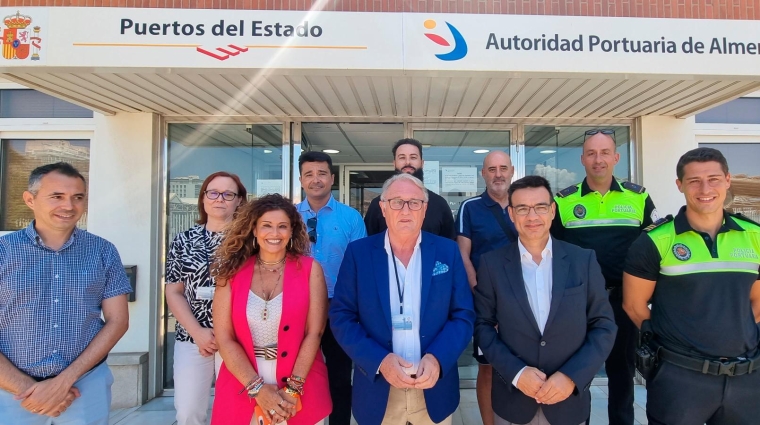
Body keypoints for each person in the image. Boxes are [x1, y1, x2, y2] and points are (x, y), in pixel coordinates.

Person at [623, 147, 760, 425]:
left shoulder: (754, 236)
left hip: (746, 377)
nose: (705, 188)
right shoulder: (656, 241)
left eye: (714, 179)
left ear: (727, 180)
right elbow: (634, 305)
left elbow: (757, 302)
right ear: (680, 185)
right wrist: (669, 348)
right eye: (694, 181)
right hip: (679, 379)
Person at [330, 173, 474, 425]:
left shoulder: (447, 251)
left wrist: (438, 358)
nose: (405, 209)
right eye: (397, 202)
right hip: (379, 387)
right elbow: (342, 317)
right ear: (383, 208)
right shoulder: (359, 253)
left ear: (425, 209)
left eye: (414, 202)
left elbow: (462, 315)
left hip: (433, 385)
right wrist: (380, 361)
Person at [475, 175, 616, 425]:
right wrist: (516, 373)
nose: (532, 216)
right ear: (511, 214)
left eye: (540, 207)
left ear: (552, 211)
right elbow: (482, 327)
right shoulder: (491, 264)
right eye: (522, 208)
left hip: (568, 401)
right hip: (512, 402)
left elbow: (604, 326)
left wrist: (571, 377)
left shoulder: (582, 260)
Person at [0, 162, 132, 425]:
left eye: (78, 197)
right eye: (56, 196)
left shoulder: (103, 251)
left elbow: (118, 321)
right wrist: (27, 388)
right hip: (10, 391)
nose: (69, 206)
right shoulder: (3, 252)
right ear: (30, 199)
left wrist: (64, 382)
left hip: (84, 385)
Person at [550, 129, 657, 425]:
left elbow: (654, 245)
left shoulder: (639, 197)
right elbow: (554, 253)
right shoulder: (564, 201)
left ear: (616, 158)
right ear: (583, 159)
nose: (599, 160)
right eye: (592, 153)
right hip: (579, 301)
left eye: (605, 153)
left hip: (624, 300)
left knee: (621, 372)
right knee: (577, 369)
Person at [210, 194, 332, 425]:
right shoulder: (231, 274)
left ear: (291, 231)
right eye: (266, 226)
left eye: (282, 226)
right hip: (242, 381)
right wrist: (257, 389)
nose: (274, 234)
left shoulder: (310, 270)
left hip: (301, 382)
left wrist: (292, 391)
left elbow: (314, 333)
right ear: (254, 230)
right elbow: (224, 338)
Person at [165, 171, 247, 425]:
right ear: (203, 198)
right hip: (192, 338)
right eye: (213, 192)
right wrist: (198, 332)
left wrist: (225, 335)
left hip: (236, 340)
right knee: (189, 411)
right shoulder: (182, 241)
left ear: (239, 201)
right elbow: (173, 291)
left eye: (228, 194)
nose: (219, 199)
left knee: (235, 411)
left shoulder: (250, 242)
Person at [296, 151, 366, 425]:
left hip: (339, 307)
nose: (316, 180)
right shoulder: (288, 217)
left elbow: (360, 267)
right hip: (298, 306)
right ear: (301, 179)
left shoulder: (350, 218)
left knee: (339, 376)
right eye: (309, 174)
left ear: (332, 178)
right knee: (299, 373)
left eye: (322, 173)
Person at [456, 150, 518, 425]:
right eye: (491, 169)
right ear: (483, 173)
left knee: (526, 363)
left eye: (503, 168)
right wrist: (482, 298)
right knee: (489, 368)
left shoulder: (523, 204)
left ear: (512, 171)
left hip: (526, 304)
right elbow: (463, 255)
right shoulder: (470, 207)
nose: (498, 174)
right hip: (488, 304)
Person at [364, 138, 456, 240]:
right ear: (394, 163)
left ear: (422, 163)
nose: (408, 162)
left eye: (413, 157)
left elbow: (449, 246)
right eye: (402, 157)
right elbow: (369, 245)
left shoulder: (439, 204)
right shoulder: (378, 204)